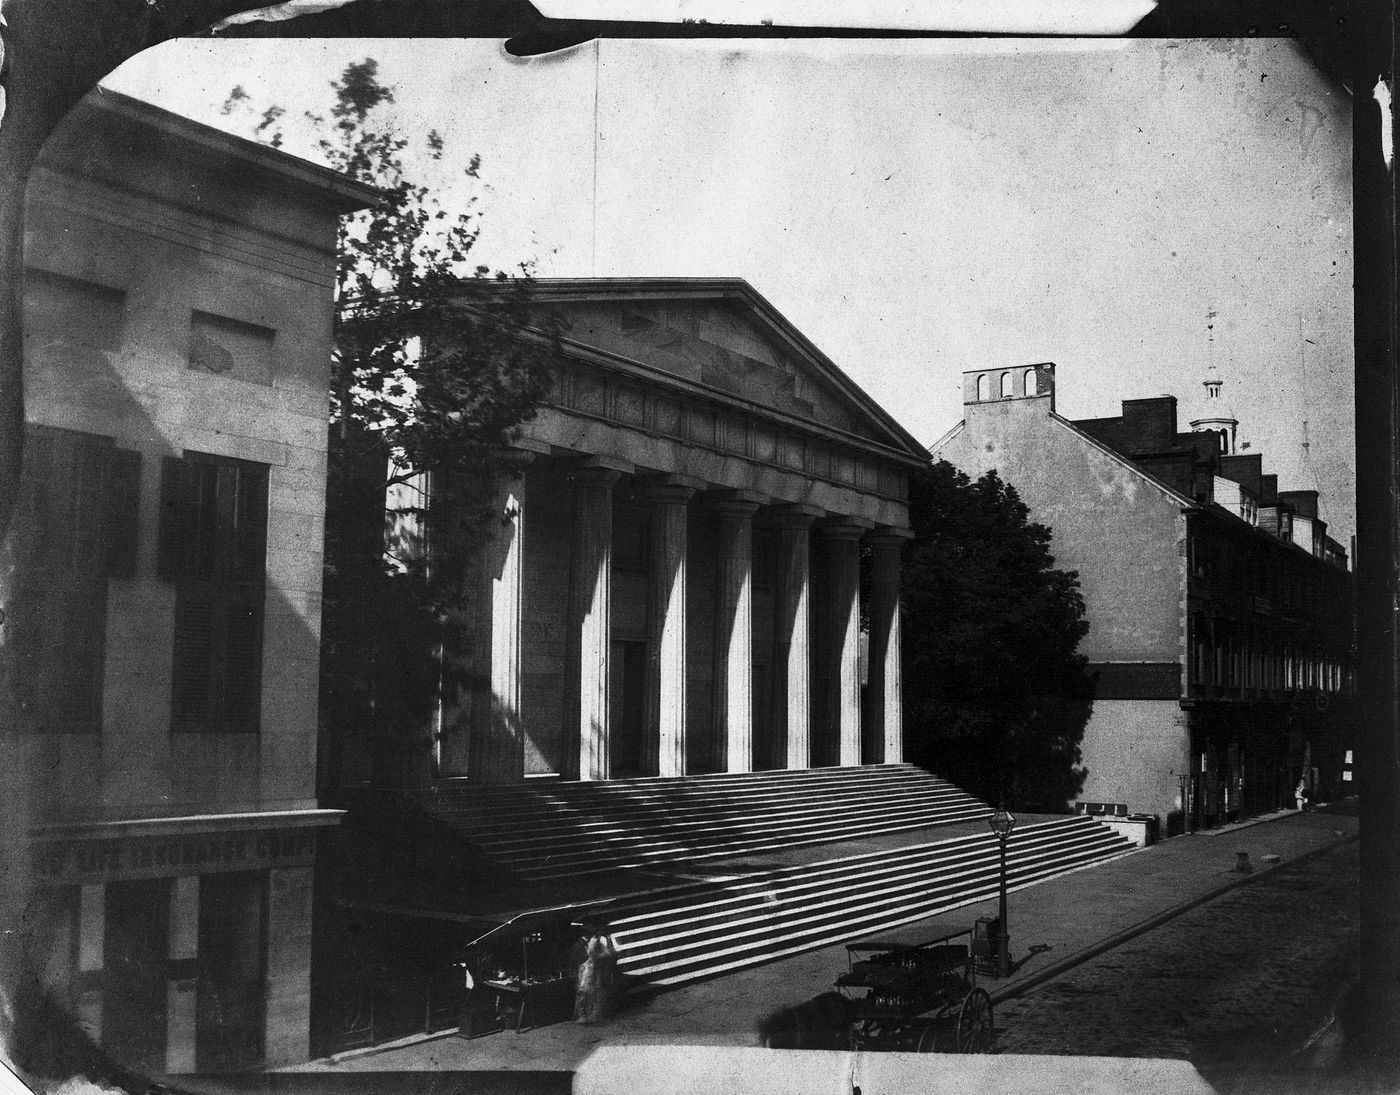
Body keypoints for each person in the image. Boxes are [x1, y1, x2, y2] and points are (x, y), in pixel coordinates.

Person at [573, 919, 618, 1024]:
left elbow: (612, 953)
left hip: (602, 968)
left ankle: (598, 1014)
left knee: (600, 992)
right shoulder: (594, 941)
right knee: (586, 992)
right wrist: (604, 955)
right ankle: (584, 1015)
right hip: (591, 969)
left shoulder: (604, 940)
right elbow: (592, 953)